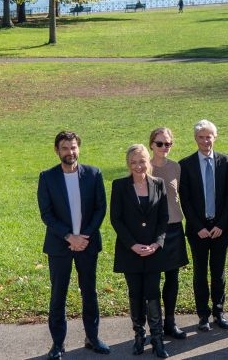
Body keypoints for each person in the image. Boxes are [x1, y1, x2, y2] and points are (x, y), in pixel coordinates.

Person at [37, 131, 110, 359]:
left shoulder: (94, 174)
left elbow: (100, 208)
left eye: (73, 147)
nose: (70, 152)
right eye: (65, 148)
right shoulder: (47, 177)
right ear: (57, 150)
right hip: (60, 246)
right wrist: (70, 236)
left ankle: (93, 337)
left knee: (89, 292)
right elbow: (47, 214)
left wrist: (84, 236)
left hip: (87, 244)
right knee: (58, 295)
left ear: (79, 148)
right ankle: (58, 344)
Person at [109, 144, 170, 358]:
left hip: (153, 251)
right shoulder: (119, 186)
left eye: (142, 161)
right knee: (135, 294)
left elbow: (164, 218)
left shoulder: (159, 184)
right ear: (128, 164)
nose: (138, 166)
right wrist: (132, 245)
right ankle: (138, 336)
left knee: (153, 294)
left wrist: (157, 243)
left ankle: (157, 338)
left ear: (148, 162)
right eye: (133, 162)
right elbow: (116, 219)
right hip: (130, 251)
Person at [178, 119, 228, 331]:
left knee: (218, 272)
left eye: (208, 136)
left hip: (220, 227)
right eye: (201, 137)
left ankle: (219, 311)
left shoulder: (227, 163)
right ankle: (203, 314)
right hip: (197, 230)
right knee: (200, 272)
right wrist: (197, 225)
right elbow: (185, 199)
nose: (205, 141)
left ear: (215, 137)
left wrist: (221, 223)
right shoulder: (186, 164)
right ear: (195, 139)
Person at [149, 127, 189, 340]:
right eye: (159, 143)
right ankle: (154, 326)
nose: (164, 147)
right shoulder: (144, 168)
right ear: (151, 145)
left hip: (174, 228)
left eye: (168, 144)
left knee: (172, 279)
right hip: (153, 232)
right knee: (153, 281)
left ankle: (170, 323)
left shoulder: (176, 167)